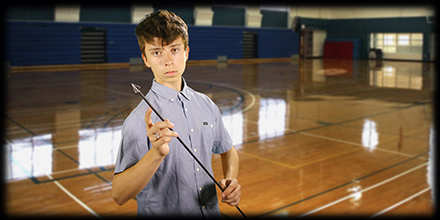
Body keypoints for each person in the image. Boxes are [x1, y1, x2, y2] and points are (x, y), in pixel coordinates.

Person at [111, 9, 241, 218]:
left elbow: (228, 150)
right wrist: (155, 155)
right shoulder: (138, 120)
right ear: (145, 59)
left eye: (174, 50)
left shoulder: (206, 104)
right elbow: (118, 194)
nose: (168, 61)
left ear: (186, 52)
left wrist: (231, 180)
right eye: (156, 52)